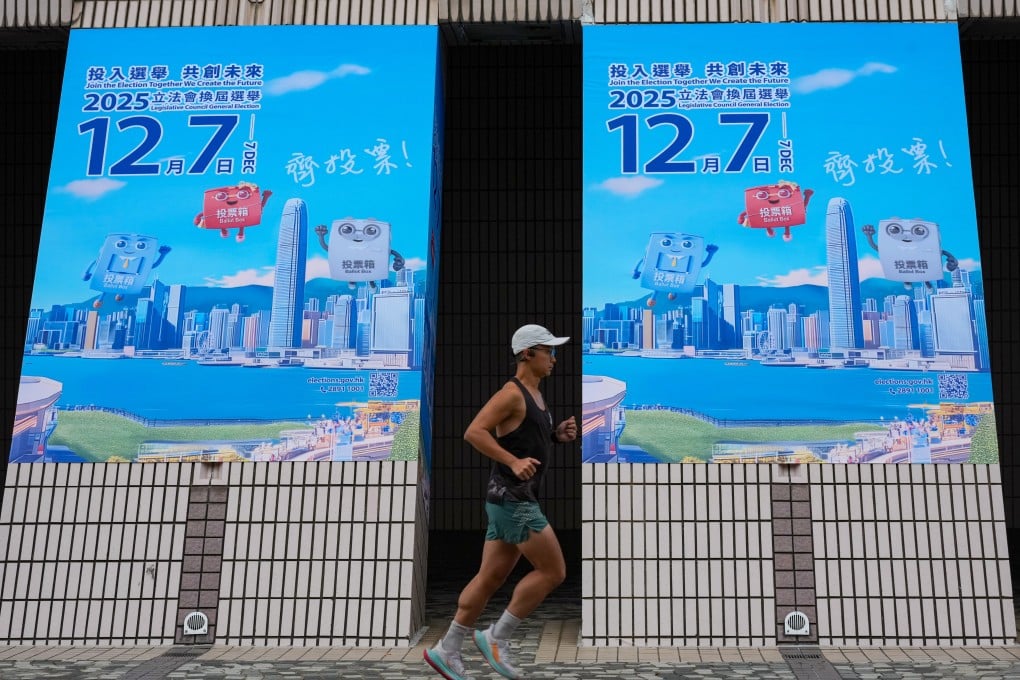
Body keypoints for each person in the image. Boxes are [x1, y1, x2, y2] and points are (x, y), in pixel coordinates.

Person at [424, 324, 577, 680]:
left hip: (505, 498)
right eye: (548, 351)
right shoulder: (512, 393)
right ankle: (497, 636)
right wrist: (511, 462)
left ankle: (446, 648)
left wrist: (556, 435)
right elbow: (474, 431)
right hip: (514, 499)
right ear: (528, 354)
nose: (554, 358)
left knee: (489, 577)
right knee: (553, 571)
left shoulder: (535, 395)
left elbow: (522, 439)